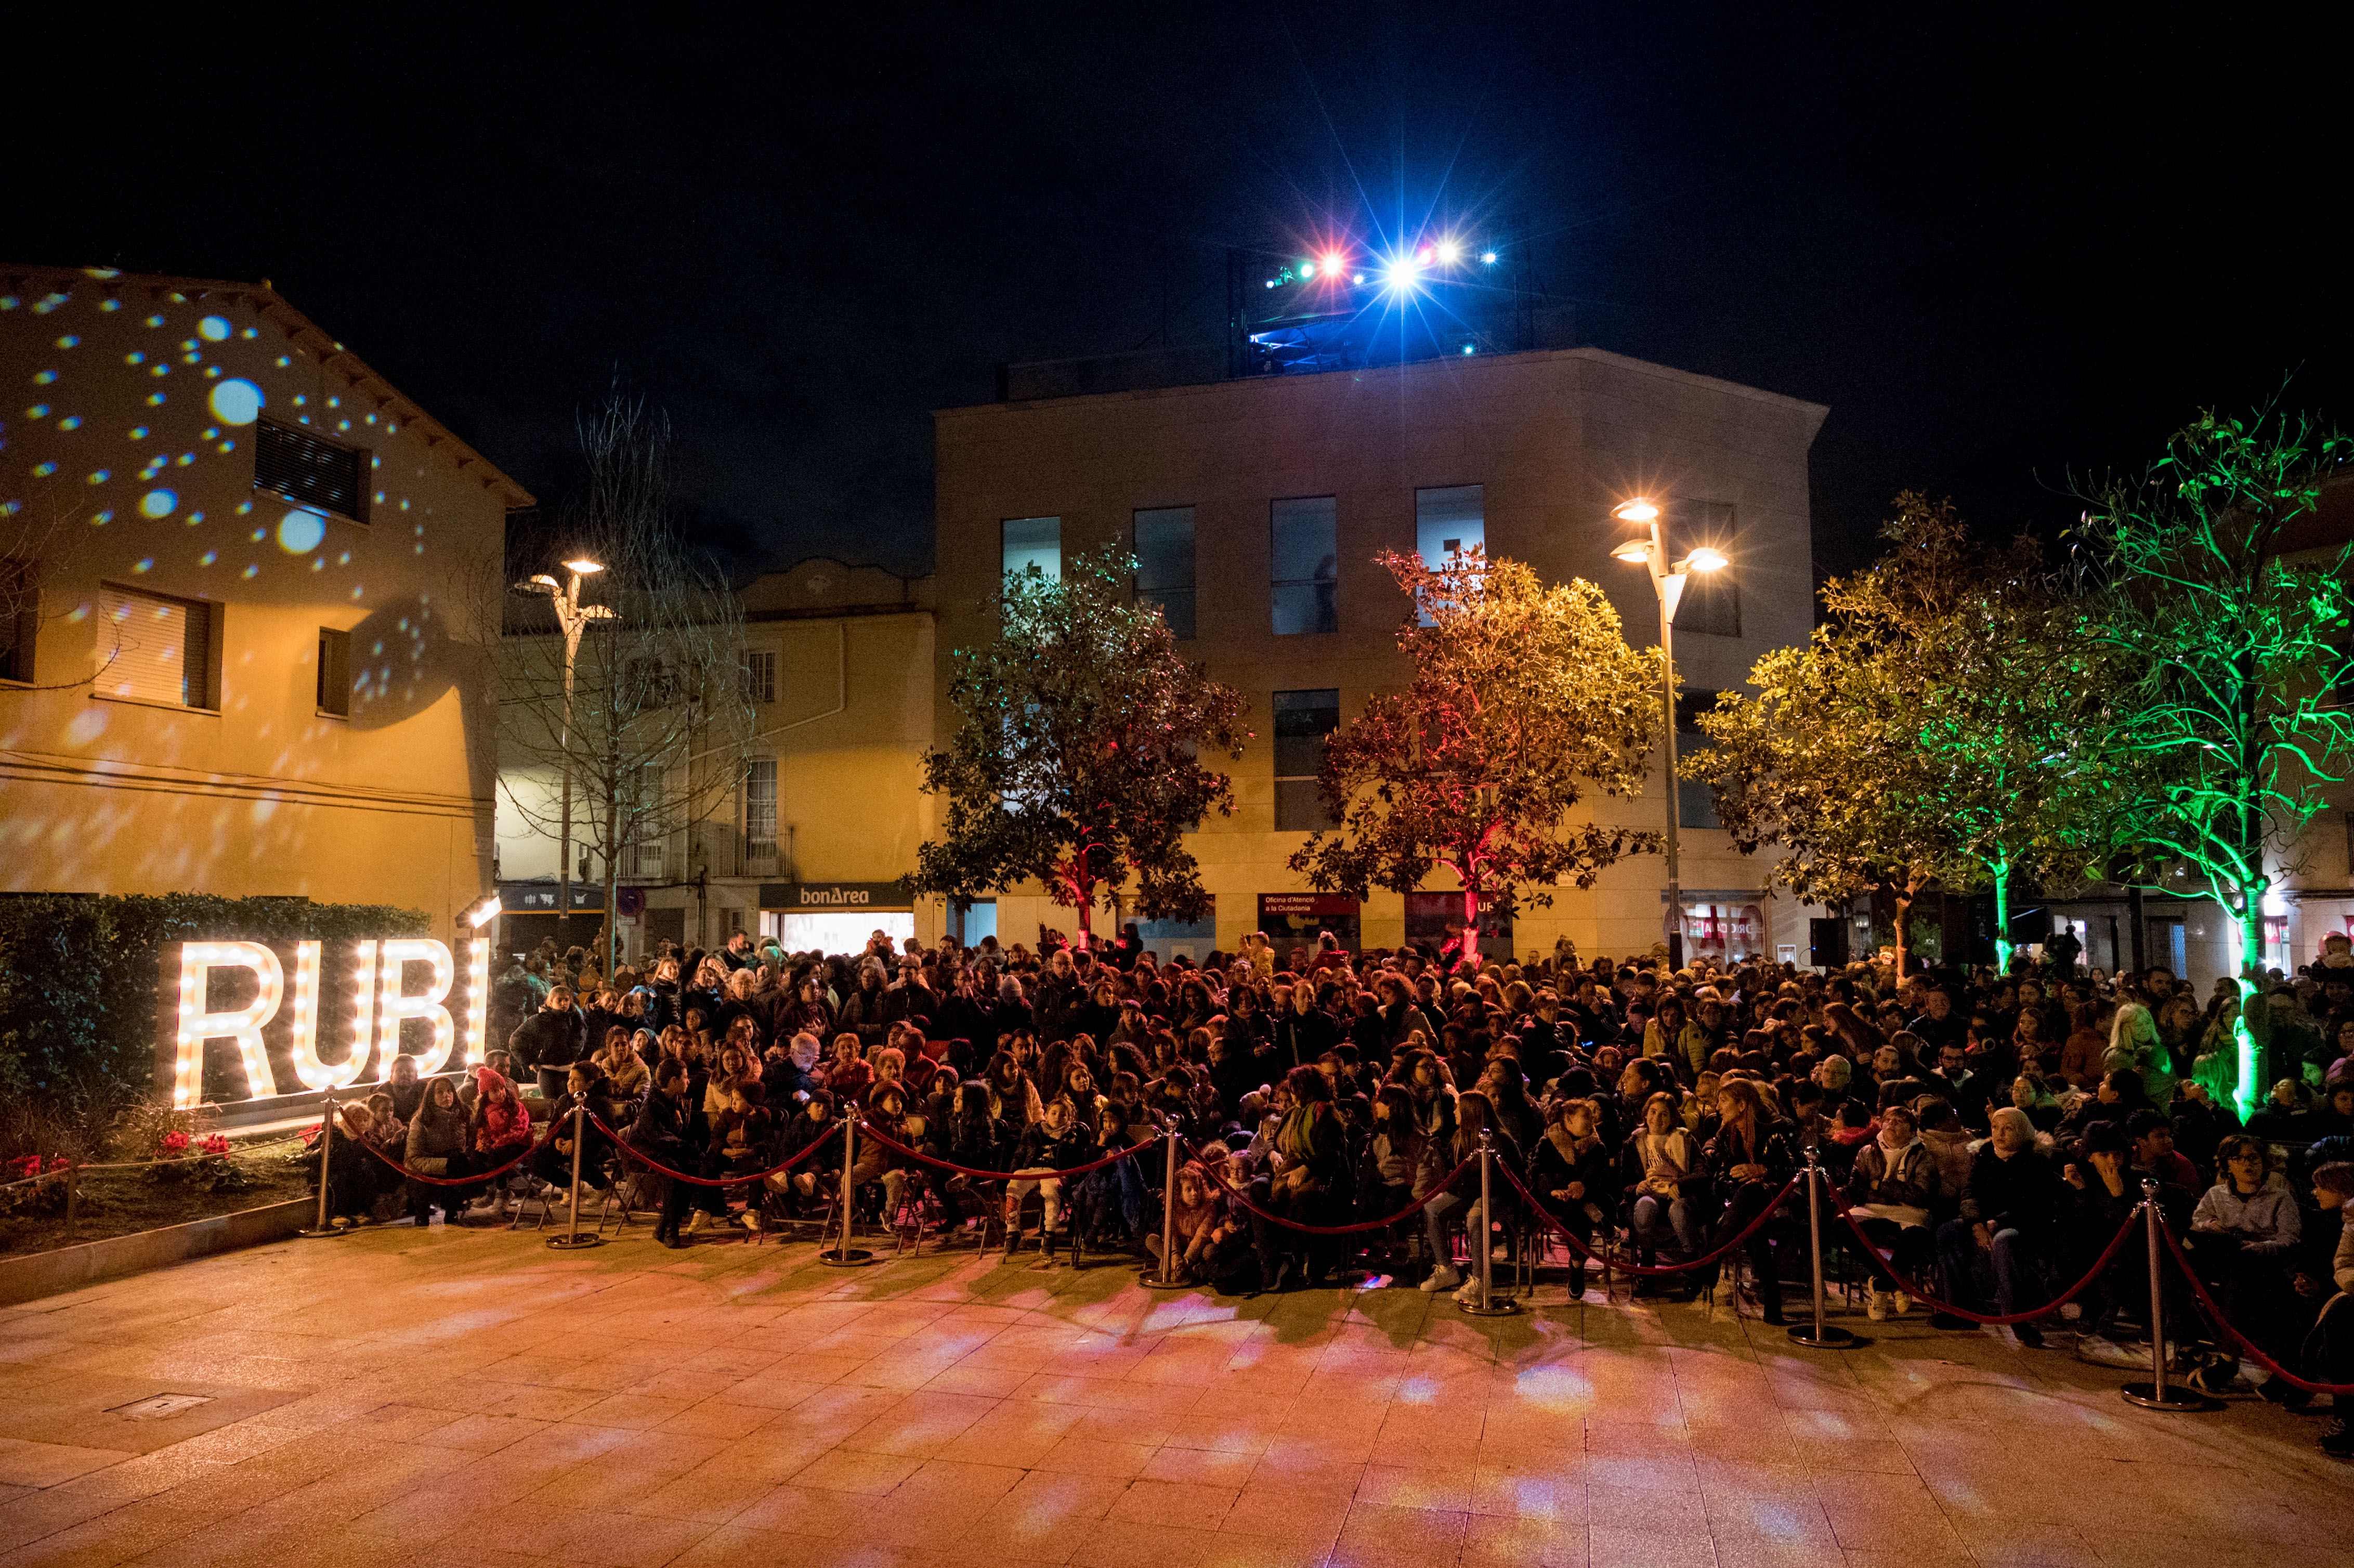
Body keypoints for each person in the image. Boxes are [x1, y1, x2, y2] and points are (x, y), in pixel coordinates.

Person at [402, 1075, 471, 1225]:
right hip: (425, 1170)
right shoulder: (421, 1121)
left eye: (449, 1091)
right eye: (440, 1092)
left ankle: (452, 1211)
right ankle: (422, 1215)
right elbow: (414, 1159)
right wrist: (444, 1164)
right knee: (422, 1184)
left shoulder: (463, 1116)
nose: (446, 1096)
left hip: (453, 1166)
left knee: (461, 1164)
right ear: (431, 1096)